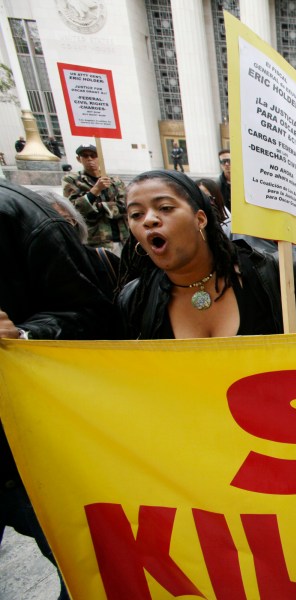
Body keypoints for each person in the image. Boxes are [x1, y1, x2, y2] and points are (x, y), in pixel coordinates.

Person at [1, 180, 116, 600]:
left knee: (91, 573)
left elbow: (94, 318)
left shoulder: (18, 214)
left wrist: (25, 337)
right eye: (135, 214)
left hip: (33, 450)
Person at [117, 170, 296, 338]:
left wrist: (285, 358)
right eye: (136, 214)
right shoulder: (135, 300)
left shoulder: (268, 271)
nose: (149, 220)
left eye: (165, 208)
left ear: (200, 219)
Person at [40, 191, 120, 301]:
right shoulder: (22, 275)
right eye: (48, 221)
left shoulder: (103, 260)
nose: (60, 228)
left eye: (66, 220)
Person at [62, 144, 128, 254]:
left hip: (123, 237)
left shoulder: (115, 181)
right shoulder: (72, 180)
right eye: (85, 156)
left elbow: (125, 206)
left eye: (93, 156)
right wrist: (96, 189)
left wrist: (97, 206)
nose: (90, 159)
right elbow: (75, 209)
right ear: (79, 159)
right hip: (96, 241)